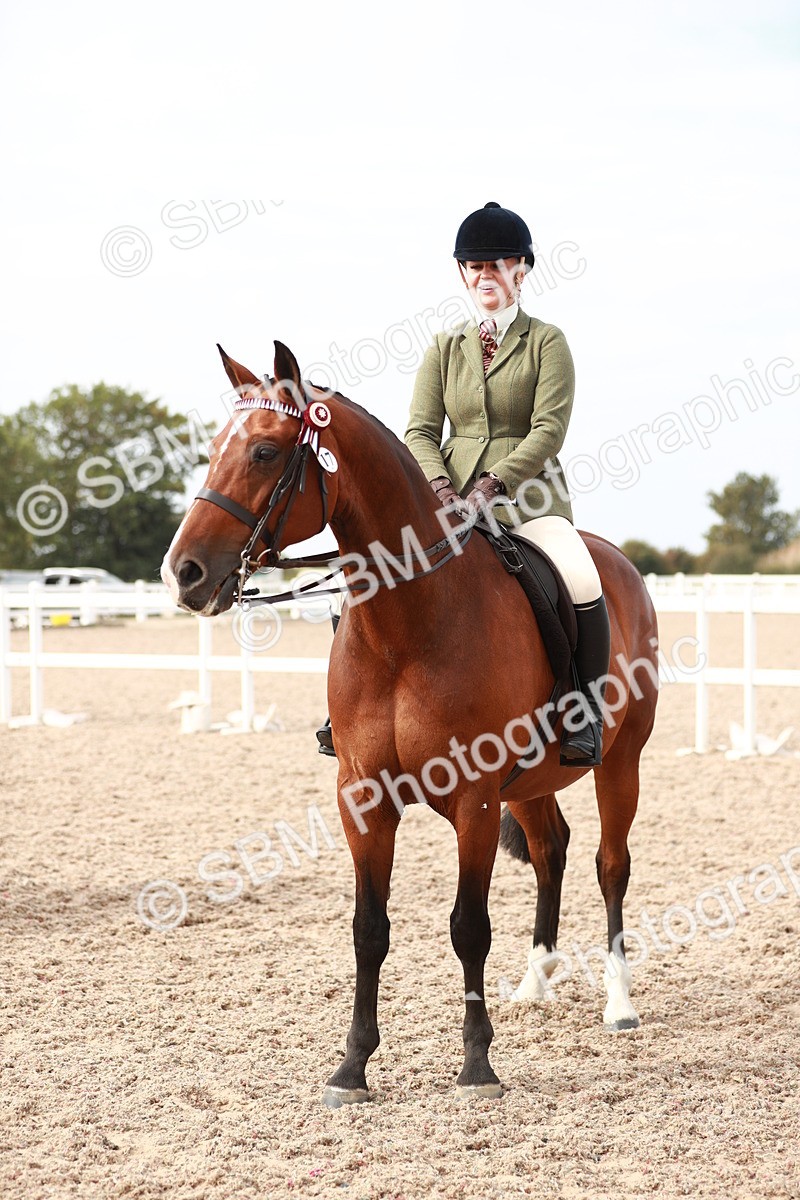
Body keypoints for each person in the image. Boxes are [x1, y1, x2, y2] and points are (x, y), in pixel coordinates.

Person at [402, 201, 610, 766]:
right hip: (446, 499)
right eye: (475, 266)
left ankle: (583, 713)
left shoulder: (547, 342)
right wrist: (444, 489)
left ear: (521, 270)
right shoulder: (444, 348)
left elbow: (550, 429)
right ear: (462, 275)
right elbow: (419, 430)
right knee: (375, 570)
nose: (486, 275)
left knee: (581, 576)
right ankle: (347, 709)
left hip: (530, 498)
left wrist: (492, 483)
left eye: (499, 264)